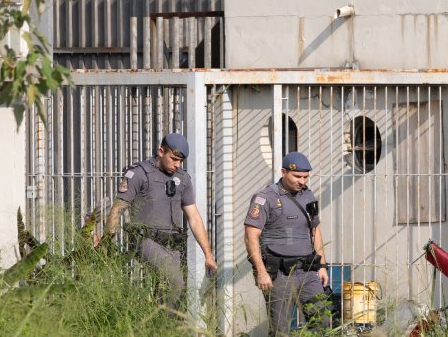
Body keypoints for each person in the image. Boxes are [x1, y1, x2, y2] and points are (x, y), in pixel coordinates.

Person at [98, 132, 218, 308]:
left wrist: (208, 254)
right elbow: (117, 209)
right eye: (173, 159)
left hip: (172, 245)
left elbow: (194, 217)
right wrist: (106, 242)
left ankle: (162, 322)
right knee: (175, 281)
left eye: (181, 161)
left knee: (172, 293)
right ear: (161, 151)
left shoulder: (183, 178)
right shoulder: (139, 173)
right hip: (146, 240)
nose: (177, 165)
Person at [245, 151, 331, 335]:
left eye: (305, 177)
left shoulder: (308, 195)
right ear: (283, 172)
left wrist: (322, 266)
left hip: (307, 271)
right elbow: (251, 236)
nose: (302, 181)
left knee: (322, 321)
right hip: (280, 274)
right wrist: (261, 272)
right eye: (297, 176)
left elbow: (315, 230)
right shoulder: (265, 197)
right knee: (280, 329)